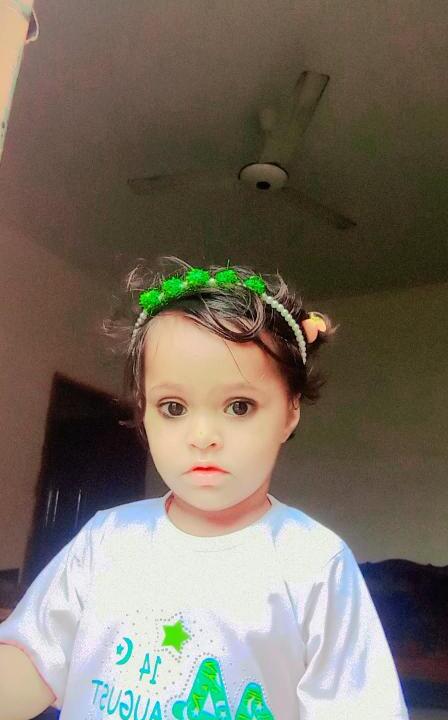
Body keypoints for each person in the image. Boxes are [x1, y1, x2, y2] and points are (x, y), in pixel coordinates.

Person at [0, 258, 409, 719]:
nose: (202, 436)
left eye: (239, 406)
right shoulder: (107, 540)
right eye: (173, 407)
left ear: (290, 412)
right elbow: (32, 665)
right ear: (144, 413)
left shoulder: (313, 562)